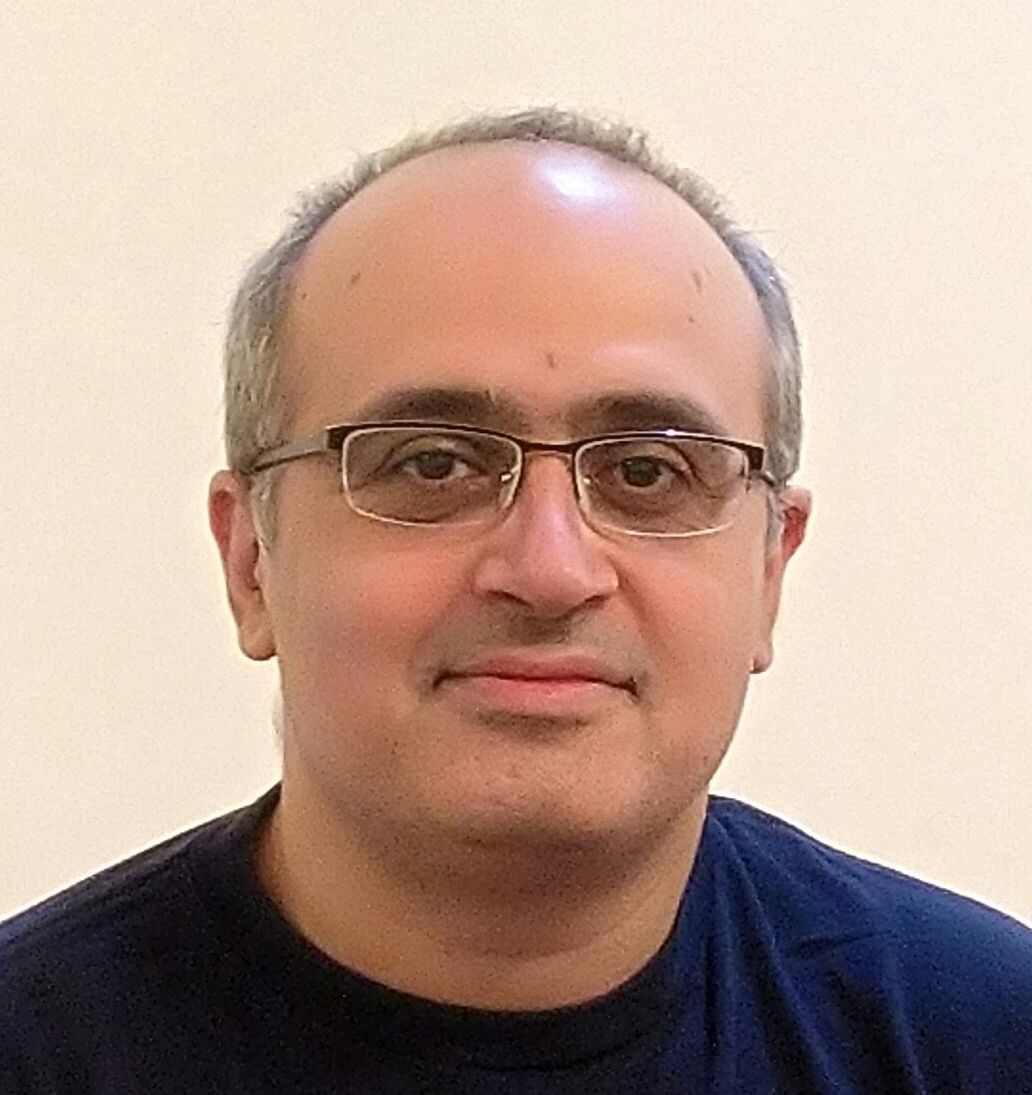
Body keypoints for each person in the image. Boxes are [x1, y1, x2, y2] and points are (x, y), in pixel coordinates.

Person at [2, 106, 1030, 1094]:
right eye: (433, 464)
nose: (550, 570)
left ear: (769, 569)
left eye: (647, 471)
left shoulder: (984, 1041)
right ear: (251, 562)